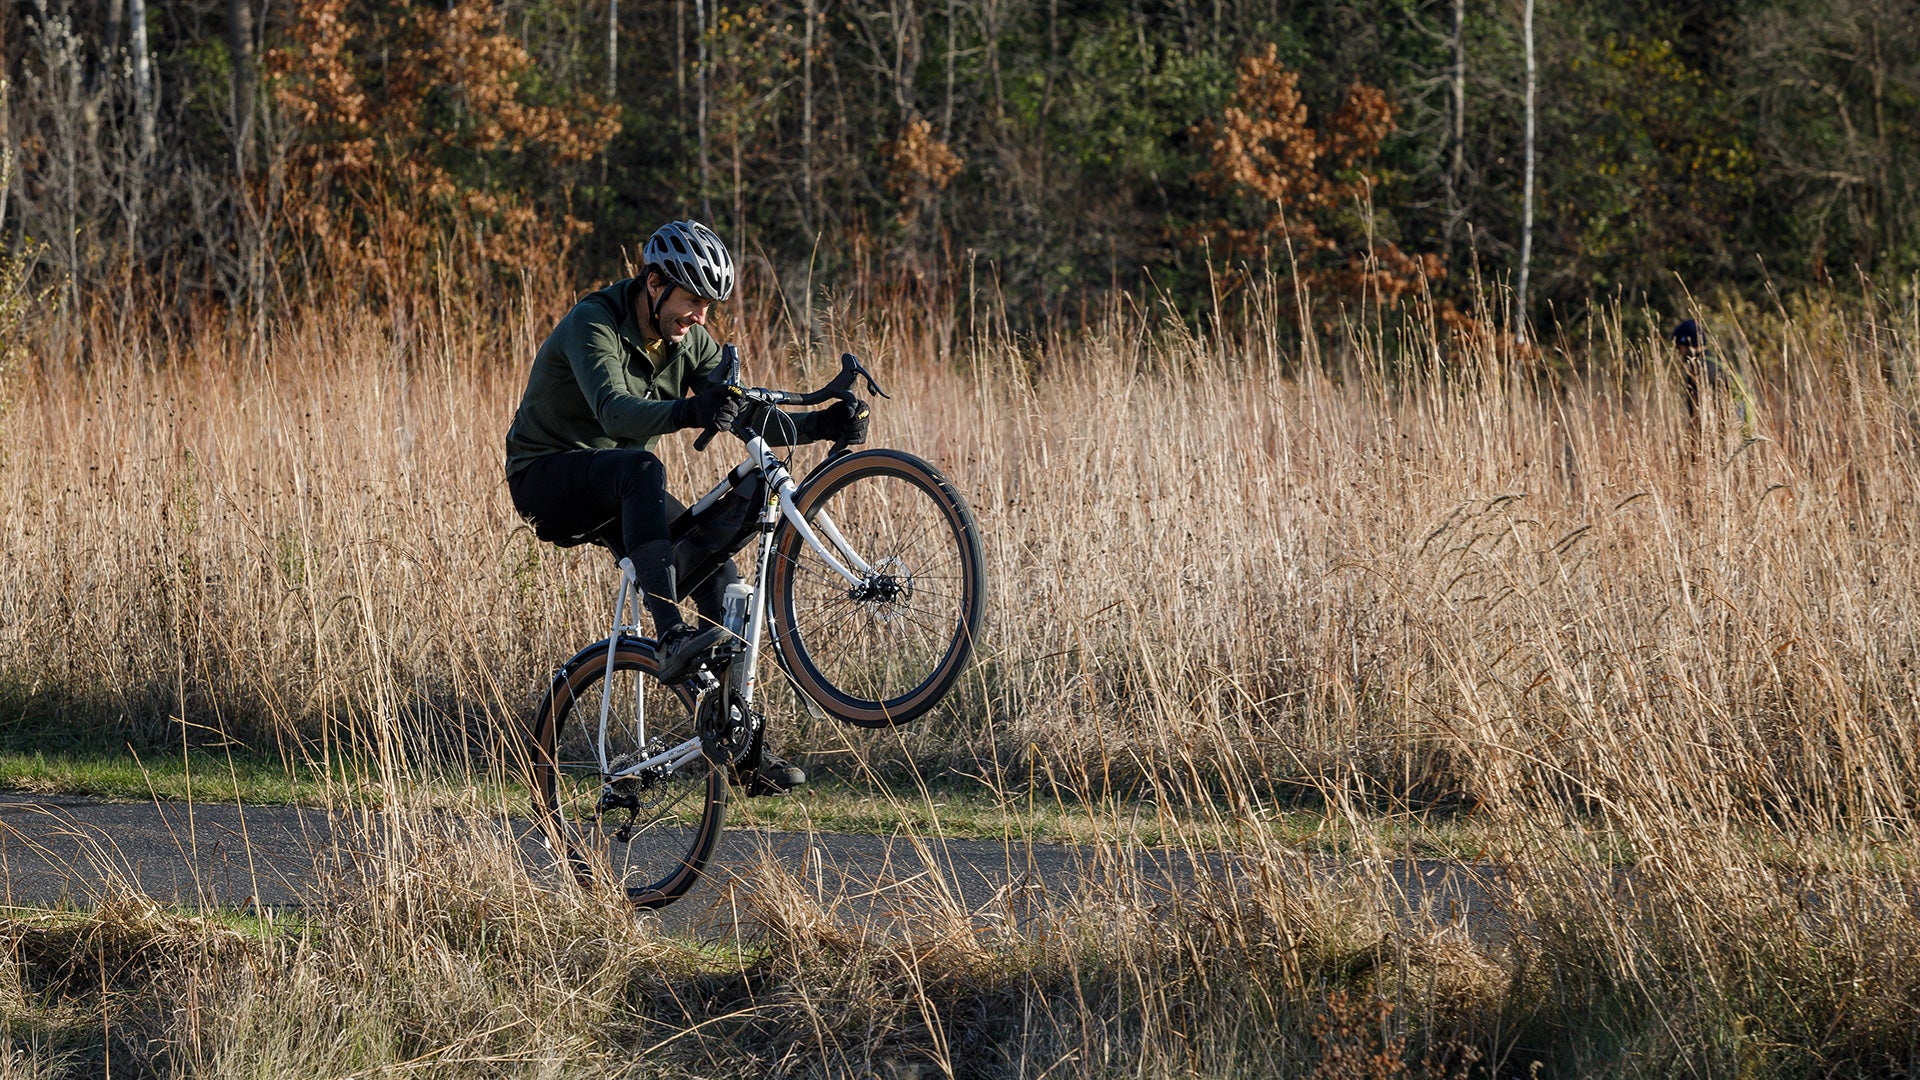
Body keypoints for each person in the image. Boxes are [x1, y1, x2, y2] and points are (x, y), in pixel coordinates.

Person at [504, 220, 868, 794]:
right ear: (654, 283)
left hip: (619, 485)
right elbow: (615, 415)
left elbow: (744, 414)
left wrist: (822, 425)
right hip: (547, 476)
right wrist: (690, 413)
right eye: (693, 300)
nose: (700, 316)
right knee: (642, 467)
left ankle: (741, 743)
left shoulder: (687, 339)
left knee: (720, 570)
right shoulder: (592, 323)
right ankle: (671, 636)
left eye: (708, 305)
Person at [1672, 318, 1754, 439]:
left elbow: (1698, 415)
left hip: (1719, 438)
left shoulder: (1699, 370)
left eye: (1679, 347)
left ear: (1688, 342)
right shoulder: (1717, 363)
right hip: (1737, 434)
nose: (1679, 352)